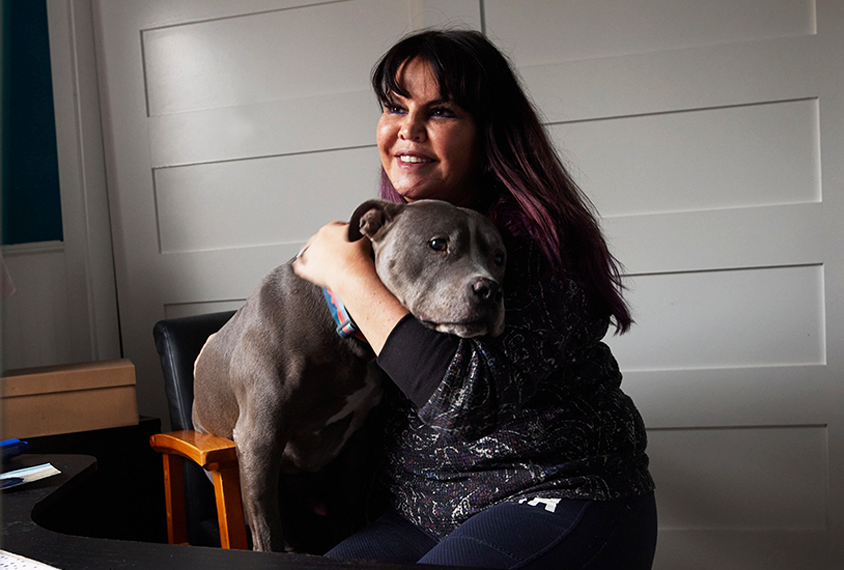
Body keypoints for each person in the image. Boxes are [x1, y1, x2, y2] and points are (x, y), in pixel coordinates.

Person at [292, 28, 657, 569]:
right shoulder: (398, 239)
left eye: (440, 112)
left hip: (559, 493)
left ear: (490, 133)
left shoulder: (535, 240)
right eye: (395, 106)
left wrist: (349, 278)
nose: (407, 130)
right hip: (423, 514)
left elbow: (463, 398)